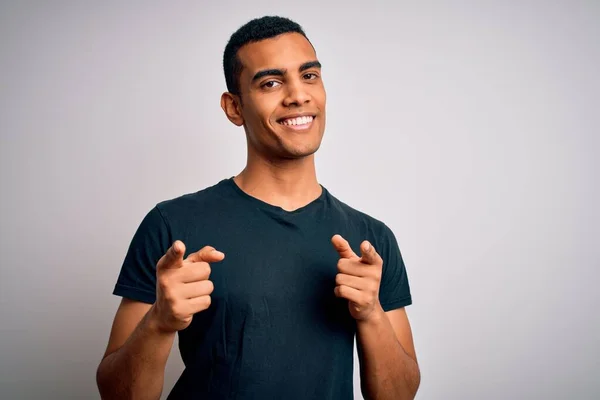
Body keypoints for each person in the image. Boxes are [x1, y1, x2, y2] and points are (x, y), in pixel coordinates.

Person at [96, 15, 420, 400]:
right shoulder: (172, 227)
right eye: (271, 82)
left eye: (310, 76)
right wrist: (159, 324)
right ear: (234, 108)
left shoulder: (371, 240)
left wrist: (371, 315)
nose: (298, 95)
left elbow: (399, 395)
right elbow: (116, 395)